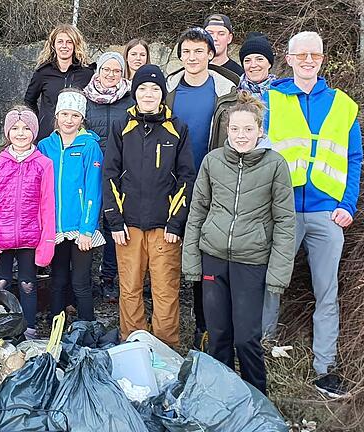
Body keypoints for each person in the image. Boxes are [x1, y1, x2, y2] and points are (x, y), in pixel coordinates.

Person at [263, 31, 363, 398]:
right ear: (288, 59)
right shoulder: (270, 100)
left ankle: (325, 368)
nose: (309, 60)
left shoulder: (343, 104)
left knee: (327, 292)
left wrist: (347, 205)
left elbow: (353, 159)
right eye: (301, 54)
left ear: (323, 60)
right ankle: (262, 348)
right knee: (272, 282)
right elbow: (259, 154)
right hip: (283, 211)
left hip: (326, 213)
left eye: (315, 55)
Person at [183, 92, 296, 394]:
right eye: (235, 129)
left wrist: (277, 274)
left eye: (248, 129)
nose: (241, 135)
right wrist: (192, 261)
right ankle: (220, 396)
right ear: (227, 130)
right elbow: (198, 212)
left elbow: (285, 222)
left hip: (252, 261)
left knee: (246, 337)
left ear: (260, 130)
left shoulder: (275, 165)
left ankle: (255, 397)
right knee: (218, 333)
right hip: (214, 258)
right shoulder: (212, 161)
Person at [104, 66, 195, 347]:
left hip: (164, 228)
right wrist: (115, 222)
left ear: (162, 94)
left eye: (155, 89)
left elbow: (186, 177)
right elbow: (109, 174)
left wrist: (176, 222)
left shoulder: (177, 128)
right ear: (135, 92)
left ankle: (165, 348)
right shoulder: (121, 127)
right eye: (143, 88)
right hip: (128, 227)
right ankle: (134, 345)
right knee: (129, 289)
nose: (148, 94)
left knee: (165, 290)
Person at [166, 27, 238, 349]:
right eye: (187, 52)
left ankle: (204, 325)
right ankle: (165, 321)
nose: (192, 58)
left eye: (199, 52)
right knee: (171, 248)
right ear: (180, 56)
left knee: (205, 250)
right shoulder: (168, 89)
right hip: (172, 182)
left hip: (212, 182)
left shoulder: (226, 90)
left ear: (211, 54)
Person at [0, 107, 55, 339]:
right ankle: (0, 329)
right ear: (7, 132)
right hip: (1, 237)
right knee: (0, 283)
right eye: (14, 129)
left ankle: (29, 329)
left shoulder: (43, 164)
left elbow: (48, 205)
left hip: (30, 237)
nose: (20, 133)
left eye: (25, 129)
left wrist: (47, 243)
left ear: (34, 132)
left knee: (27, 284)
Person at [38, 89, 103, 322]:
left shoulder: (89, 146)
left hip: (80, 227)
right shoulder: (46, 146)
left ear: (81, 119)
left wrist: (87, 228)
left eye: (74, 116)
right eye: (64, 114)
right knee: (58, 279)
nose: (69, 120)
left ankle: (87, 330)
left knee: (81, 282)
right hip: (55, 226)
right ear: (57, 115)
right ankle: (57, 328)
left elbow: (93, 189)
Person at [83, 51, 134, 302]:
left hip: (120, 170)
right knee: (88, 220)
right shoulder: (85, 98)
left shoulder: (130, 99)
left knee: (114, 223)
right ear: (98, 71)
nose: (111, 75)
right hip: (90, 169)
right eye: (106, 70)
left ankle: (109, 278)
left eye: (116, 71)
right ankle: (82, 278)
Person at [24, 24, 94, 142]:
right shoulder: (43, 72)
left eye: (69, 42)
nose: (64, 46)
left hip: (78, 135)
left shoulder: (87, 73)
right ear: (53, 45)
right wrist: (40, 120)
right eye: (60, 41)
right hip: (47, 135)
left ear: (75, 45)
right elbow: (29, 100)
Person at [239, 32, 276, 99]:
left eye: (259, 59)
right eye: (247, 60)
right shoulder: (232, 91)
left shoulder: (281, 91)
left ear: (269, 64)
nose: (253, 65)